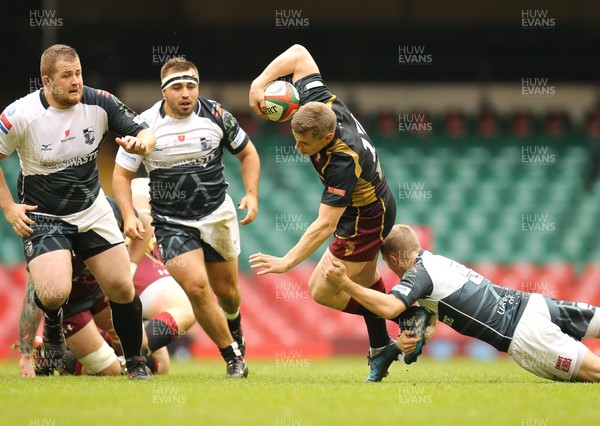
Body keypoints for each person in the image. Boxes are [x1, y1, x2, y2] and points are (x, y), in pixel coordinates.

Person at [0, 44, 155, 379]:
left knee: (122, 288)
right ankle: (52, 331)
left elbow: (144, 131)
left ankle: (136, 364)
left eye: (78, 73)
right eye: (66, 76)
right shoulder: (20, 115)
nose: (76, 81)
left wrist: (144, 143)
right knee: (54, 292)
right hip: (45, 217)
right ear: (46, 81)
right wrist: (9, 207)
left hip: (91, 208)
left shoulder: (100, 102)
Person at [248, 44, 399, 382]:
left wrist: (287, 261)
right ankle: (382, 345)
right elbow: (300, 53)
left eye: (305, 144)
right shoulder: (319, 104)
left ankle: (404, 318)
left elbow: (324, 225)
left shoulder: (342, 160)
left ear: (327, 136)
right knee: (365, 281)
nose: (298, 149)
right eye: (295, 139)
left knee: (322, 290)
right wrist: (258, 84)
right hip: (367, 205)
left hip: (366, 216)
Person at [113, 57, 259, 378]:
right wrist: (127, 214)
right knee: (195, 287)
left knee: (228, 293)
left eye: (191, 86)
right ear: (163, 91)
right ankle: (233, 358)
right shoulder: (143, 125)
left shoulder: (217, 115)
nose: (185, 93)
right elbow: (121, 176)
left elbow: (248, 153)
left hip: (217, 215)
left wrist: (250, 193)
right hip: (171, 222)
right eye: (177, 87)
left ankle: (234, 328)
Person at [324, 224, 600, 382]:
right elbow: (433, 313)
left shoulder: (418, 275)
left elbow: (389, 308)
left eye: (388, 264)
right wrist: (414, 338)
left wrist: (346, 283)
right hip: (533, 304)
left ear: (393, 260)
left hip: (524, 335)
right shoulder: (436, 261)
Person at [18, 192, 196, 377]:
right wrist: (25, 356)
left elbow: (144, 222)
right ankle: (47, 356)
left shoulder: (105, 210)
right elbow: (32, 299)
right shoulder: (50, 238)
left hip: (100, 290)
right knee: (111, 371)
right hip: (72, 308)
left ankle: (93, 353)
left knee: (158, 360)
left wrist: (131, 267)